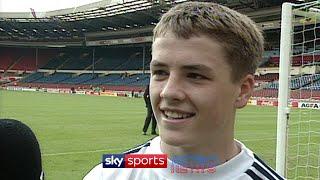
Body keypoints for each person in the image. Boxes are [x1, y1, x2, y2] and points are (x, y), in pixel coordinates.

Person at [84, 1, 284, 180]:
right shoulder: (109, 173)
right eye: (160, 72)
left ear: (242, 90)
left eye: (195, 76)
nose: (168, 92)